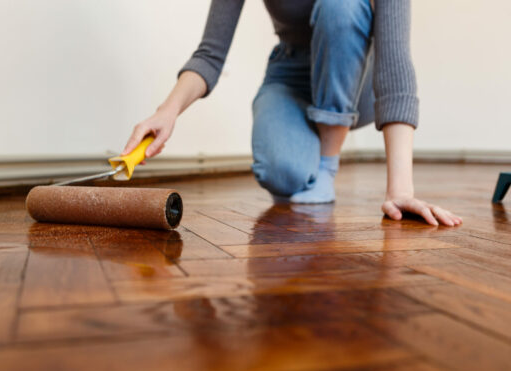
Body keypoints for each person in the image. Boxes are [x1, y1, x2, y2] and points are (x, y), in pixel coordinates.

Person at [122, 0, 462, 226]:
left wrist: (400, 190)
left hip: (356, 84)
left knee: (341, 5)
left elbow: (394, 61)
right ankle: (307, 145)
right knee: (280, 174)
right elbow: (210, 55)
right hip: (290, 74)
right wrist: (167, 112)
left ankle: (327, 162)